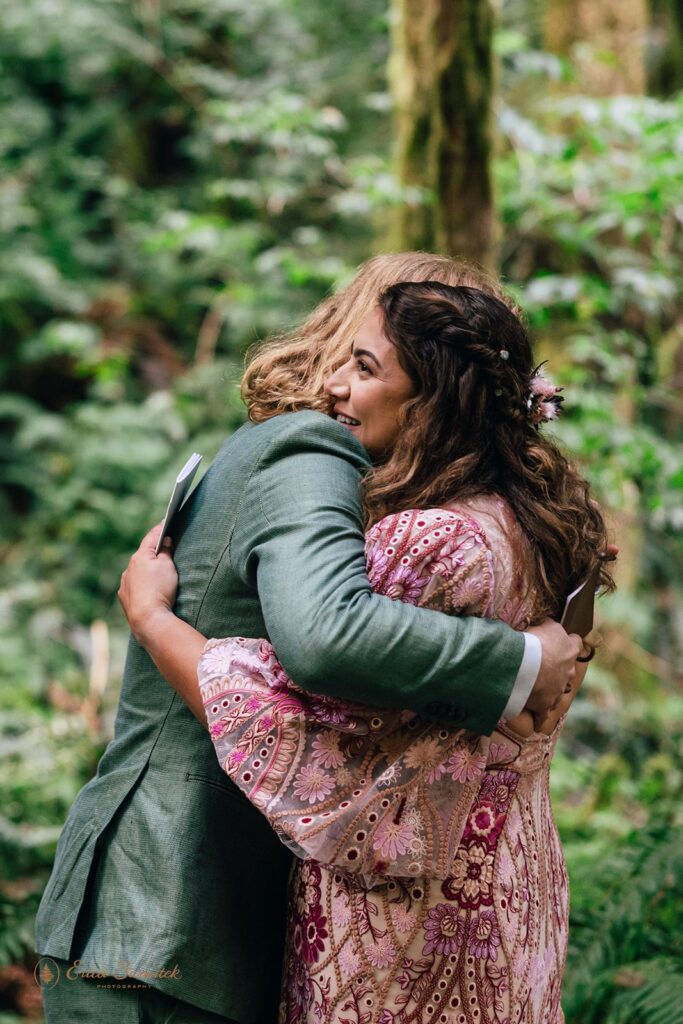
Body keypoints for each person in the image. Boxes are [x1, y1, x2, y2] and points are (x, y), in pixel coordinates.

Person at [37, 254, 581, 1024]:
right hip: (165, 909)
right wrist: (521, 663)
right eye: (359, 357)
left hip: (197, 923)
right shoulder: (313, 447)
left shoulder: (377, 484)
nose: (341, 384)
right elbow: (328, 637)